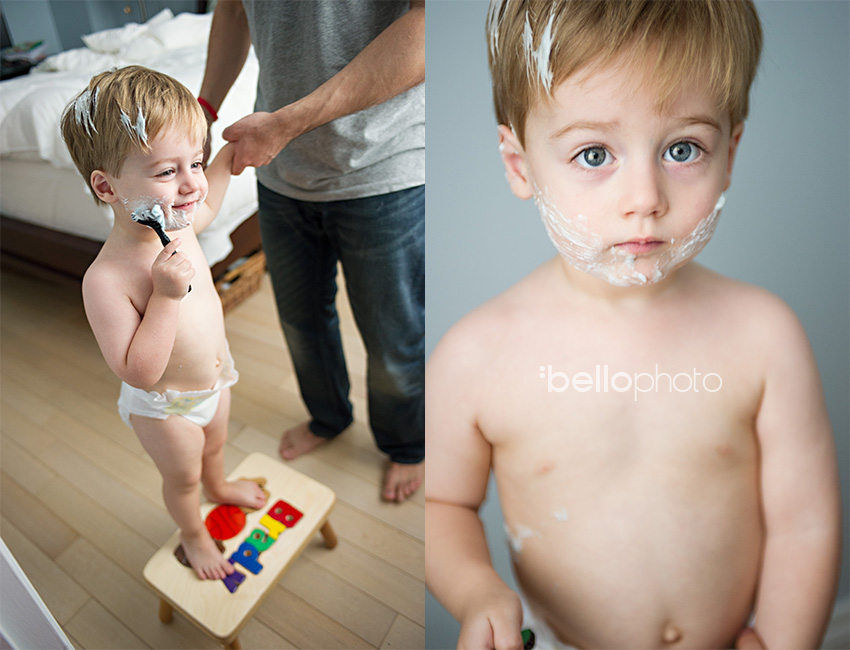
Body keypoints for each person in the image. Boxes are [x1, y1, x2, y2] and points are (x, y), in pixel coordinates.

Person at [425, 1, 842, 648]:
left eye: (683, 148)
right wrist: (477, 591)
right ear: (519, 165)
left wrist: (784, 641)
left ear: (729, 154)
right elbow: (441, 505)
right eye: (595, 154)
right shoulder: (476, 357)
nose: (645, 197)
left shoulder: (764, 337)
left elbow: (805, 521)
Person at [197, 0, 425, 502]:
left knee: (393, 338)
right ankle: (328, 417)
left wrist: (286, 122)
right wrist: (205, 110)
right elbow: (234, 10)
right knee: (301, 321)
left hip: (384, 165)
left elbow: (429, 26)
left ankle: (409, 445)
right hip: (282, 173)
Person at [61, 66, 267, 581]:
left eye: (192, 162)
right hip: (167, 408)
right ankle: (194, 534)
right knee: (182, 481)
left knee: (215, 448)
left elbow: (212, 201)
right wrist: (167, 296)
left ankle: (220, 487)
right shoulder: (106, 280)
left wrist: (226, 156)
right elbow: (139, 370)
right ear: (107, 187)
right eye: (166, 171)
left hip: (216, 380)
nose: (191, 183)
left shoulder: (176, 221)